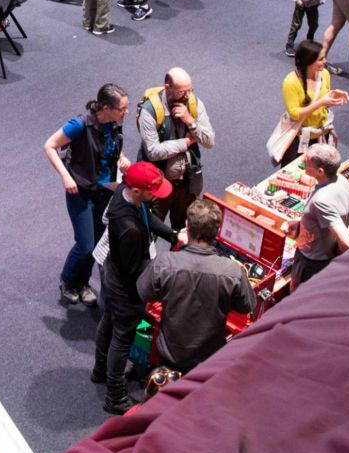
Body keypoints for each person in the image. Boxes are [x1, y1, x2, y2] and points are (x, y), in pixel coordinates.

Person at [91, 161, 177, 414]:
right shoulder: (129, 230)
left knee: (108, 322)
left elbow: (147, 216)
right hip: (125, 286)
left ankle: (100, 370)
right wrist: (164, 269)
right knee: (122, 335)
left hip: (112, 272)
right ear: (138, 190)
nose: (156, 197)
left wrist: (171, 234)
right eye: (153, 192)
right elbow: (135, 270)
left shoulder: (124, 193)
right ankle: (115, 395)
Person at [140, 199, 256, 373]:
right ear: (217, 231)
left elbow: (144, 292)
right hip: (208, 359)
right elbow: (247, 305)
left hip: (170, 355)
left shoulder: (165, 262)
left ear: (187, 226)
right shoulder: (232, 271)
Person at [44, 84, 133, 306]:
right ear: (106, 107)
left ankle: (82, 283)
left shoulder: (113, 125)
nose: (126, 113)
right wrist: (66, 177)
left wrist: (121, 157)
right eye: (122, 108)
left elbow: (111, 147)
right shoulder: (79, 124)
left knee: (95, 244)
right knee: (84, 244)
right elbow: (50, 145)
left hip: (104, 193)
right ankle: (68, 280)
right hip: (81, 193)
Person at [137, 68, 215, 230]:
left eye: (190, 90)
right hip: (157, 184)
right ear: (167, 88)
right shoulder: (150, 110)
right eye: (181, 92)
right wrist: (186, 142)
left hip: (187, 182)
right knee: (149, 230)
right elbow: (153, 152)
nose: (187, 96)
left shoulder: (194, 104)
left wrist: (190, 121)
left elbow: (209, 141)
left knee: (184, 231)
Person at [288, 143, 349, 287]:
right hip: (321, 256)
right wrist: (301, 224)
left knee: (297, 298)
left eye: (307, 161)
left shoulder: (321, 201)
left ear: (320, 171)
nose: (302, 161)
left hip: (312, 262)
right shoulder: (342, 180)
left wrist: (338, 264)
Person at [280, 40, 349, 166]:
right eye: (321, 59)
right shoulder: (290, 82)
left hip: (321, 136)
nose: (325, 61)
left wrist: (333, 95)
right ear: (308, 61)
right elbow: (295, 113)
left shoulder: (325, 74)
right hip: (300, 140)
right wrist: (321, 102)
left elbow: (324, 102)